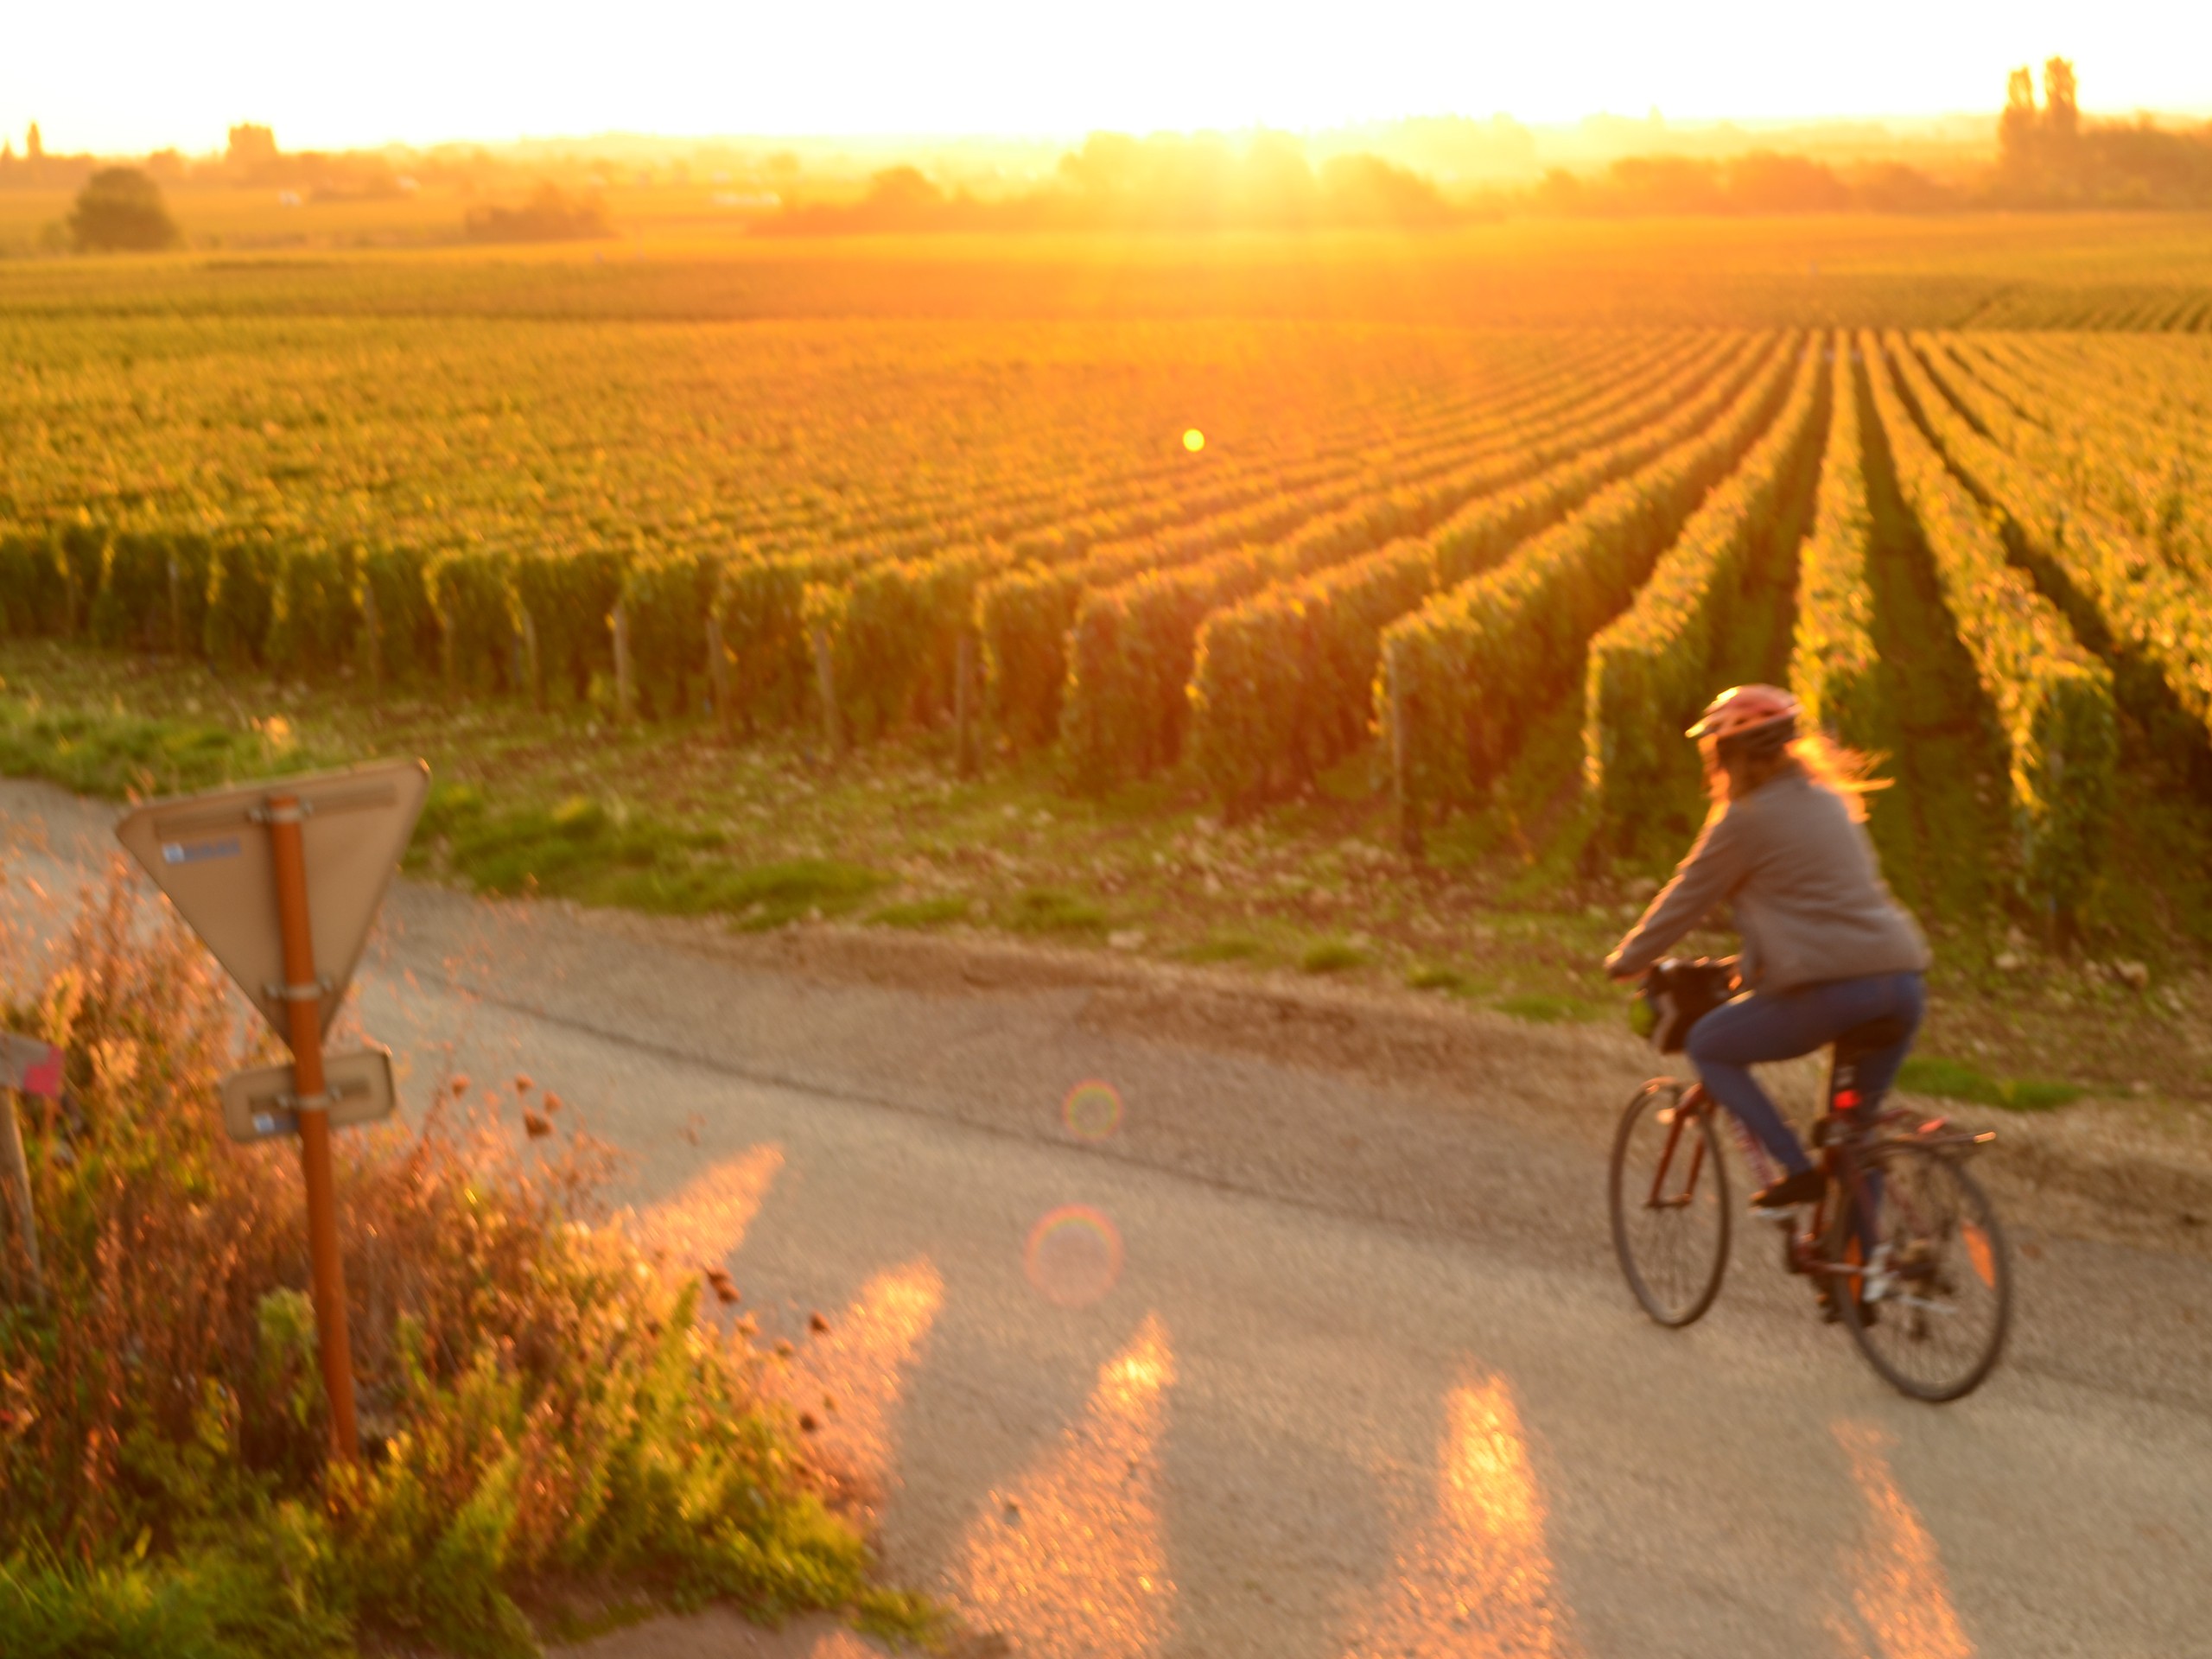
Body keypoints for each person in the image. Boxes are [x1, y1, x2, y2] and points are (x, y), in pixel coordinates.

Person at [1605, 684, 1931, 1211]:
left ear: (1726, 754)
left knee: (1709, 1044)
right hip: (1903, 983)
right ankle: (1865, 1276)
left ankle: (1796, 1169)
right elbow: (1812, 908)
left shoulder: (1743, 819)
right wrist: (1751, 966)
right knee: (1855, 1135)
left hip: (1834, 993)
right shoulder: (1832, 801)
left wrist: (1628, 959)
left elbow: (1687, 896)